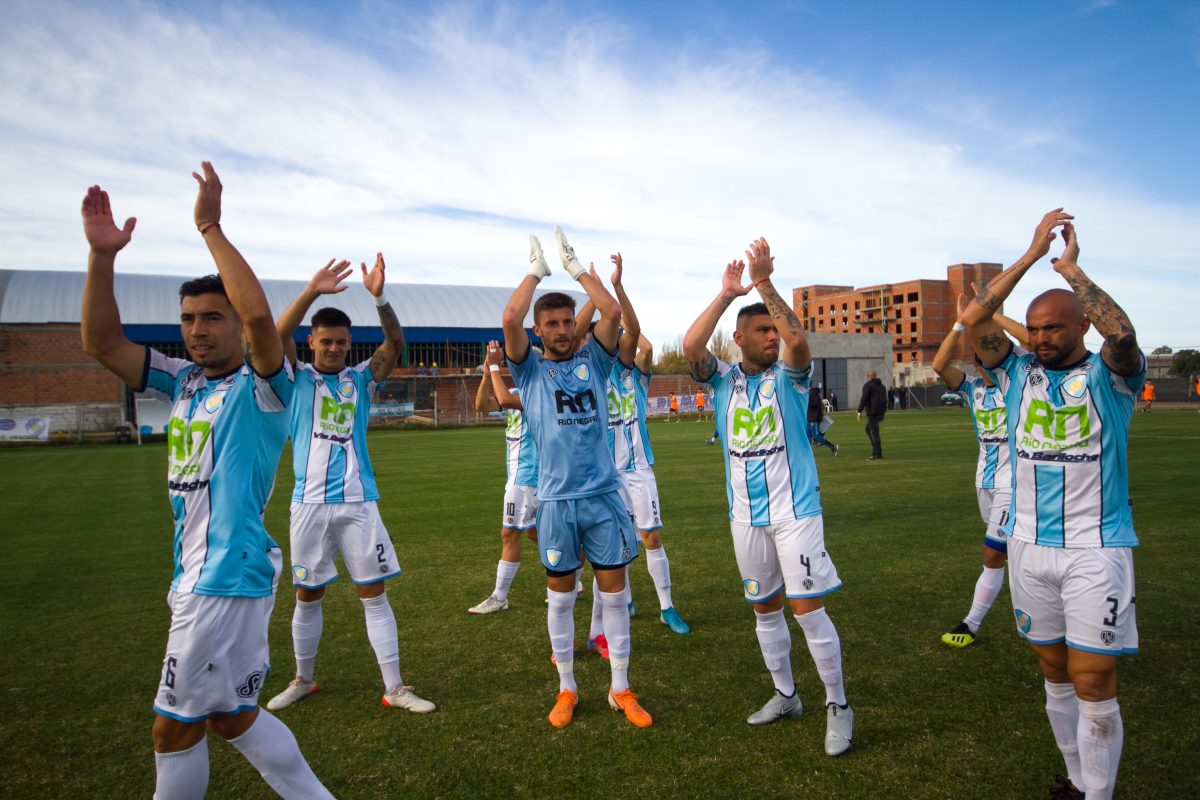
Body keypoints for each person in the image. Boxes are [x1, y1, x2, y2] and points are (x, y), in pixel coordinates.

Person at [80, 165, 333, 798]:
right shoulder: (183, 381)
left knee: (172, 729)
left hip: (223, 576)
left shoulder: (266, 385)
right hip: (198, 573)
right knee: (231, 717)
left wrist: (209, 226)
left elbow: (258, 320)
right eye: (189, 317)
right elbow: (101, 342)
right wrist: (100, 257)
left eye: (212, 317)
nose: (198, 328)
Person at [963, 209, 1144, 800]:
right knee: (1054, 671)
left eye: (1053, 329)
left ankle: (1099, 794)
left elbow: (1122, 335)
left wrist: (1070, 271)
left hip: (1096, 548)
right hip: (1028, 546)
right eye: (1034, 330)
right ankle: (1075, 778)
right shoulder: (1014, 373)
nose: (1040, 338)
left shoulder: (1109, 379)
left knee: (1094, 679)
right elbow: (974, 318)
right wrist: (1029, 254)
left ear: (1081, 327)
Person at [683, 239, 854, 757]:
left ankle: (838, 706)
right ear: (739, 338)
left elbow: (799, 340)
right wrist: (726, 293)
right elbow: (692, 345)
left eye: (773, 330)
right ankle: (786, 695)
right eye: (762, 331)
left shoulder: (791, 379)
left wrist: (764, 285)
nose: (773, 338)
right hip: (744, 516)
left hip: (796, 512)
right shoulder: (722, 382)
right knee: (764, 608)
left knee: (806, 609)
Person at [264, 256, 434, 715]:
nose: (334, 349)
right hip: (308, 504)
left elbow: (395, 341)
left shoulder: (361, 379)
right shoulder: (296, 376)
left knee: (373, 594)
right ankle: (302, 678)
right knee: (307, 593)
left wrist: (378, 296)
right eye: (326, 341)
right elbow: (273, 338)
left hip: (359, 503)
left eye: (341, 342)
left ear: (349, 343)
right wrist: (311, 292)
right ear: (311, 342)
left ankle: (395, 687)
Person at [502, 228, 650, 729]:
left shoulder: (596, 362)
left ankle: (621, 689)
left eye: (567, 321)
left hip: (604, 498)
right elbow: (508, 318)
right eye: (553, 324)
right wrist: (536, 272)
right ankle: (567, 688)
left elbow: (612, 315)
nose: (563, 330)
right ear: (540, 330)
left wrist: (575, 269)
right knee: (560, 597)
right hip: (557, 502)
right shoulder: (529, 373)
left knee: (614, 595)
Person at [575, 255, 691, 637]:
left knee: (651, 536)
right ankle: (621, 600)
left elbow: (644, 341)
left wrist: (617, 292)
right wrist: (594, 294)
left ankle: (667, 607)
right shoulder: (589, 377)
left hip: (639, 470)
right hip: (605, 475)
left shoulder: (633, 376)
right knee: (615, 544)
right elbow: (577, 340)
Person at [932, 291, 1029, 648]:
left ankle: (971, 624)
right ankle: (1040, 609)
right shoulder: (972, 389)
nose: (984, 365)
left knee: (993, 552)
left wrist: (987, 314)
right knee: (1011, 550)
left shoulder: (1017, 386)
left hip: (1013, 482)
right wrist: (960, 322)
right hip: (983, 481)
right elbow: (939, 365)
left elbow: (1027, 342)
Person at [467, 340, 539, 614]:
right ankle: (573, 573)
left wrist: (495, 365)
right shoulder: (513, 390)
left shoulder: (536, 392)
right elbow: (481, 406)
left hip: (526, 474)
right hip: (519, 474)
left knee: (509, 533)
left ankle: (500, 596)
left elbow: (506, 401)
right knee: (533, 531)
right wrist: (487, 373)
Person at [857, 371, 887, 460]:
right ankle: (875, 451)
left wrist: (859, 412)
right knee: (868, 430)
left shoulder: (868, 385)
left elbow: (864, 398)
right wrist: (883, 413)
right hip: (880, 412)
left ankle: (878, 454)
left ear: (868, 377)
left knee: (874, 434)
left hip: (872, 412)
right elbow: (885, 401)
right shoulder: (882, 387)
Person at [807, 386, 838, 456]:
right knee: (807, 434)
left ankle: (832, 447)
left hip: (813, 417)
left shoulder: (812, 393)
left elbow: (815, 404)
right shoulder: (811, 393)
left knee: (816, 436)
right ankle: (807, 452)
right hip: (810, 417)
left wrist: (806, 402)